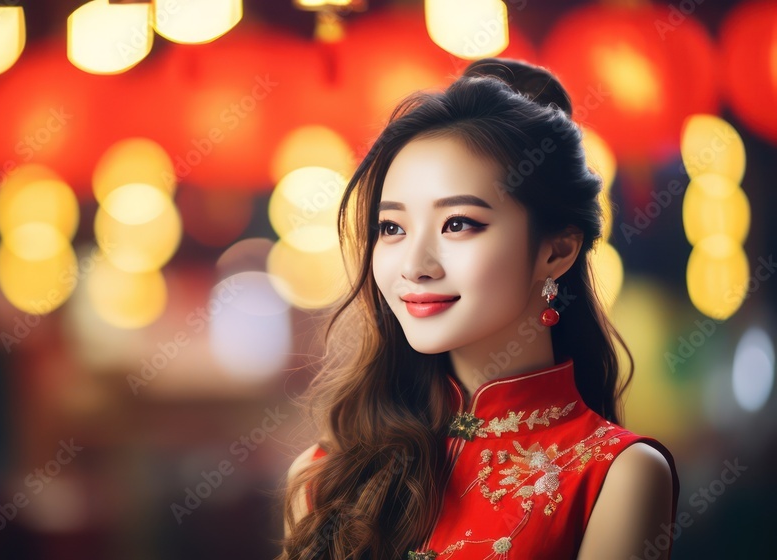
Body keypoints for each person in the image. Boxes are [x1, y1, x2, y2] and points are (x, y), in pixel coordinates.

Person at [278, 58, 680, 559]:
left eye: (458, 224)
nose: (415, 265)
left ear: (556, 251)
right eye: (392, 228)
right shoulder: (325, 476)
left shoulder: (616, 475)